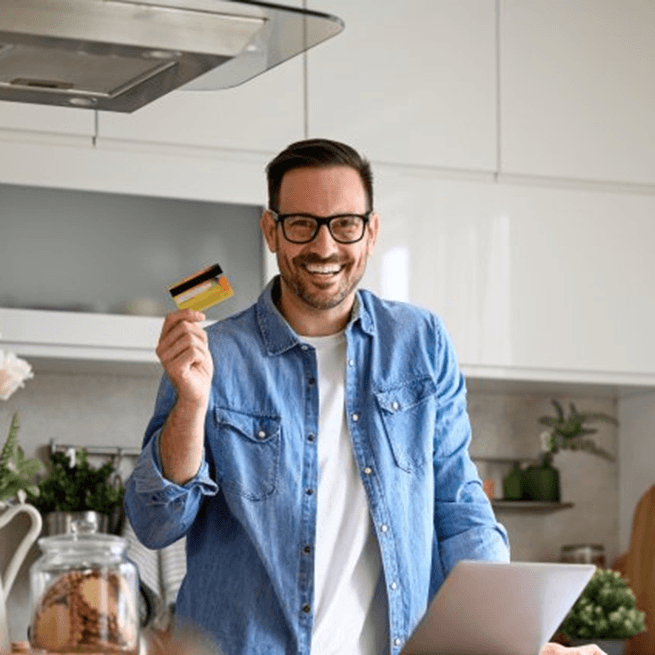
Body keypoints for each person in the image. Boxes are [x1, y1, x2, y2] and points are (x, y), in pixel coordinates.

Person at [124, 139, 606, 655]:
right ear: (272, 230)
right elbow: (154, 523)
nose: (326, 247)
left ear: (371, 231)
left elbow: (458, 505)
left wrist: (513, 637)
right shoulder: (213, 356)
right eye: (302, 223)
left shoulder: (420, 342)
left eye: (345, 224)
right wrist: (192, 404)